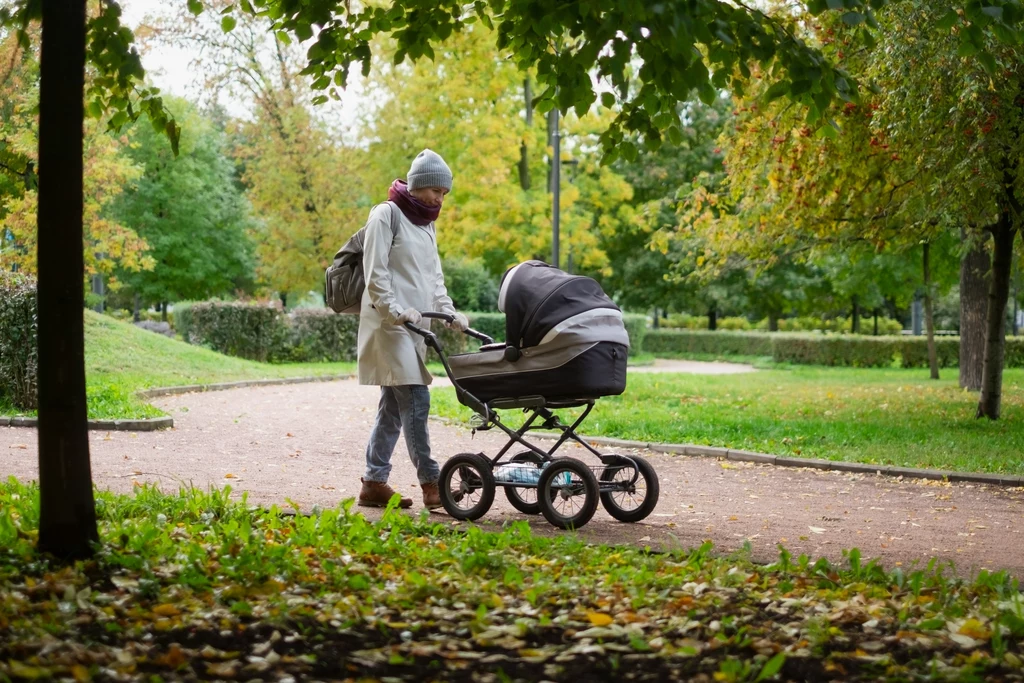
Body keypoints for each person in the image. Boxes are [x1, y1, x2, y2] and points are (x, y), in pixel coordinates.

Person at [356, 149, 469, 509]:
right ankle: (432, 483)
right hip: (388, 323)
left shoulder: (427, 224)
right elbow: (375, 273)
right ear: (418, 184)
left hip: (415, 326)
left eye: (444, 193)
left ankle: (373, 482)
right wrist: (394, 311)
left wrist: (448, 312)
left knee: (393, 405)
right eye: (435, 190)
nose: (439, 199)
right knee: (416, 399)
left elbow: (433, 278)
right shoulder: (385, 215)